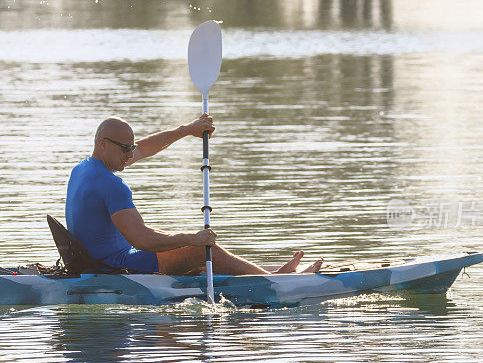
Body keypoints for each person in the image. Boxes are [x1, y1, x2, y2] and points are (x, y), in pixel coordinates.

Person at [65, 115, 322, 275]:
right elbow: (142, 240)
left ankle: (268, 271)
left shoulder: (83, 169)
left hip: (100, 259)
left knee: (192, 250)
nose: (130, 154)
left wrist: (187, 129)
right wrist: (192, 238)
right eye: (125, 148)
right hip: (114, 266)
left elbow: (144, 148)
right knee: (198, 250)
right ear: (103, 144)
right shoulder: (112, 185)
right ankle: (276, 281)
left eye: (130, 147)